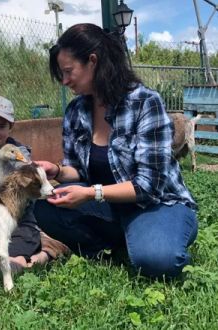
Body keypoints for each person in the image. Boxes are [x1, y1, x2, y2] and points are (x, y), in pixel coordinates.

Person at [33, 23, 198, 278]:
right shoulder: (75, 111)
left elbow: (148, 186)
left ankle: (154, 233)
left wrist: (90, 193)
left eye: (68, 71)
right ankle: (111, 245)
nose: (65, 81)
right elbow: (77, 169)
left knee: (157, 259)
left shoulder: (144, 102)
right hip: (109, 205)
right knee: (45, 208)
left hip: (156, 204)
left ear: (93, 61)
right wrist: (56, 170)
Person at [0, 95, 69, 274]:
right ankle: (42, 252)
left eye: (1, 126)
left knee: (4, 264)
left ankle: (45, 254)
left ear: (11, 126)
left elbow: (32, 198)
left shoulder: (22, 161)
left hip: (19, 226)